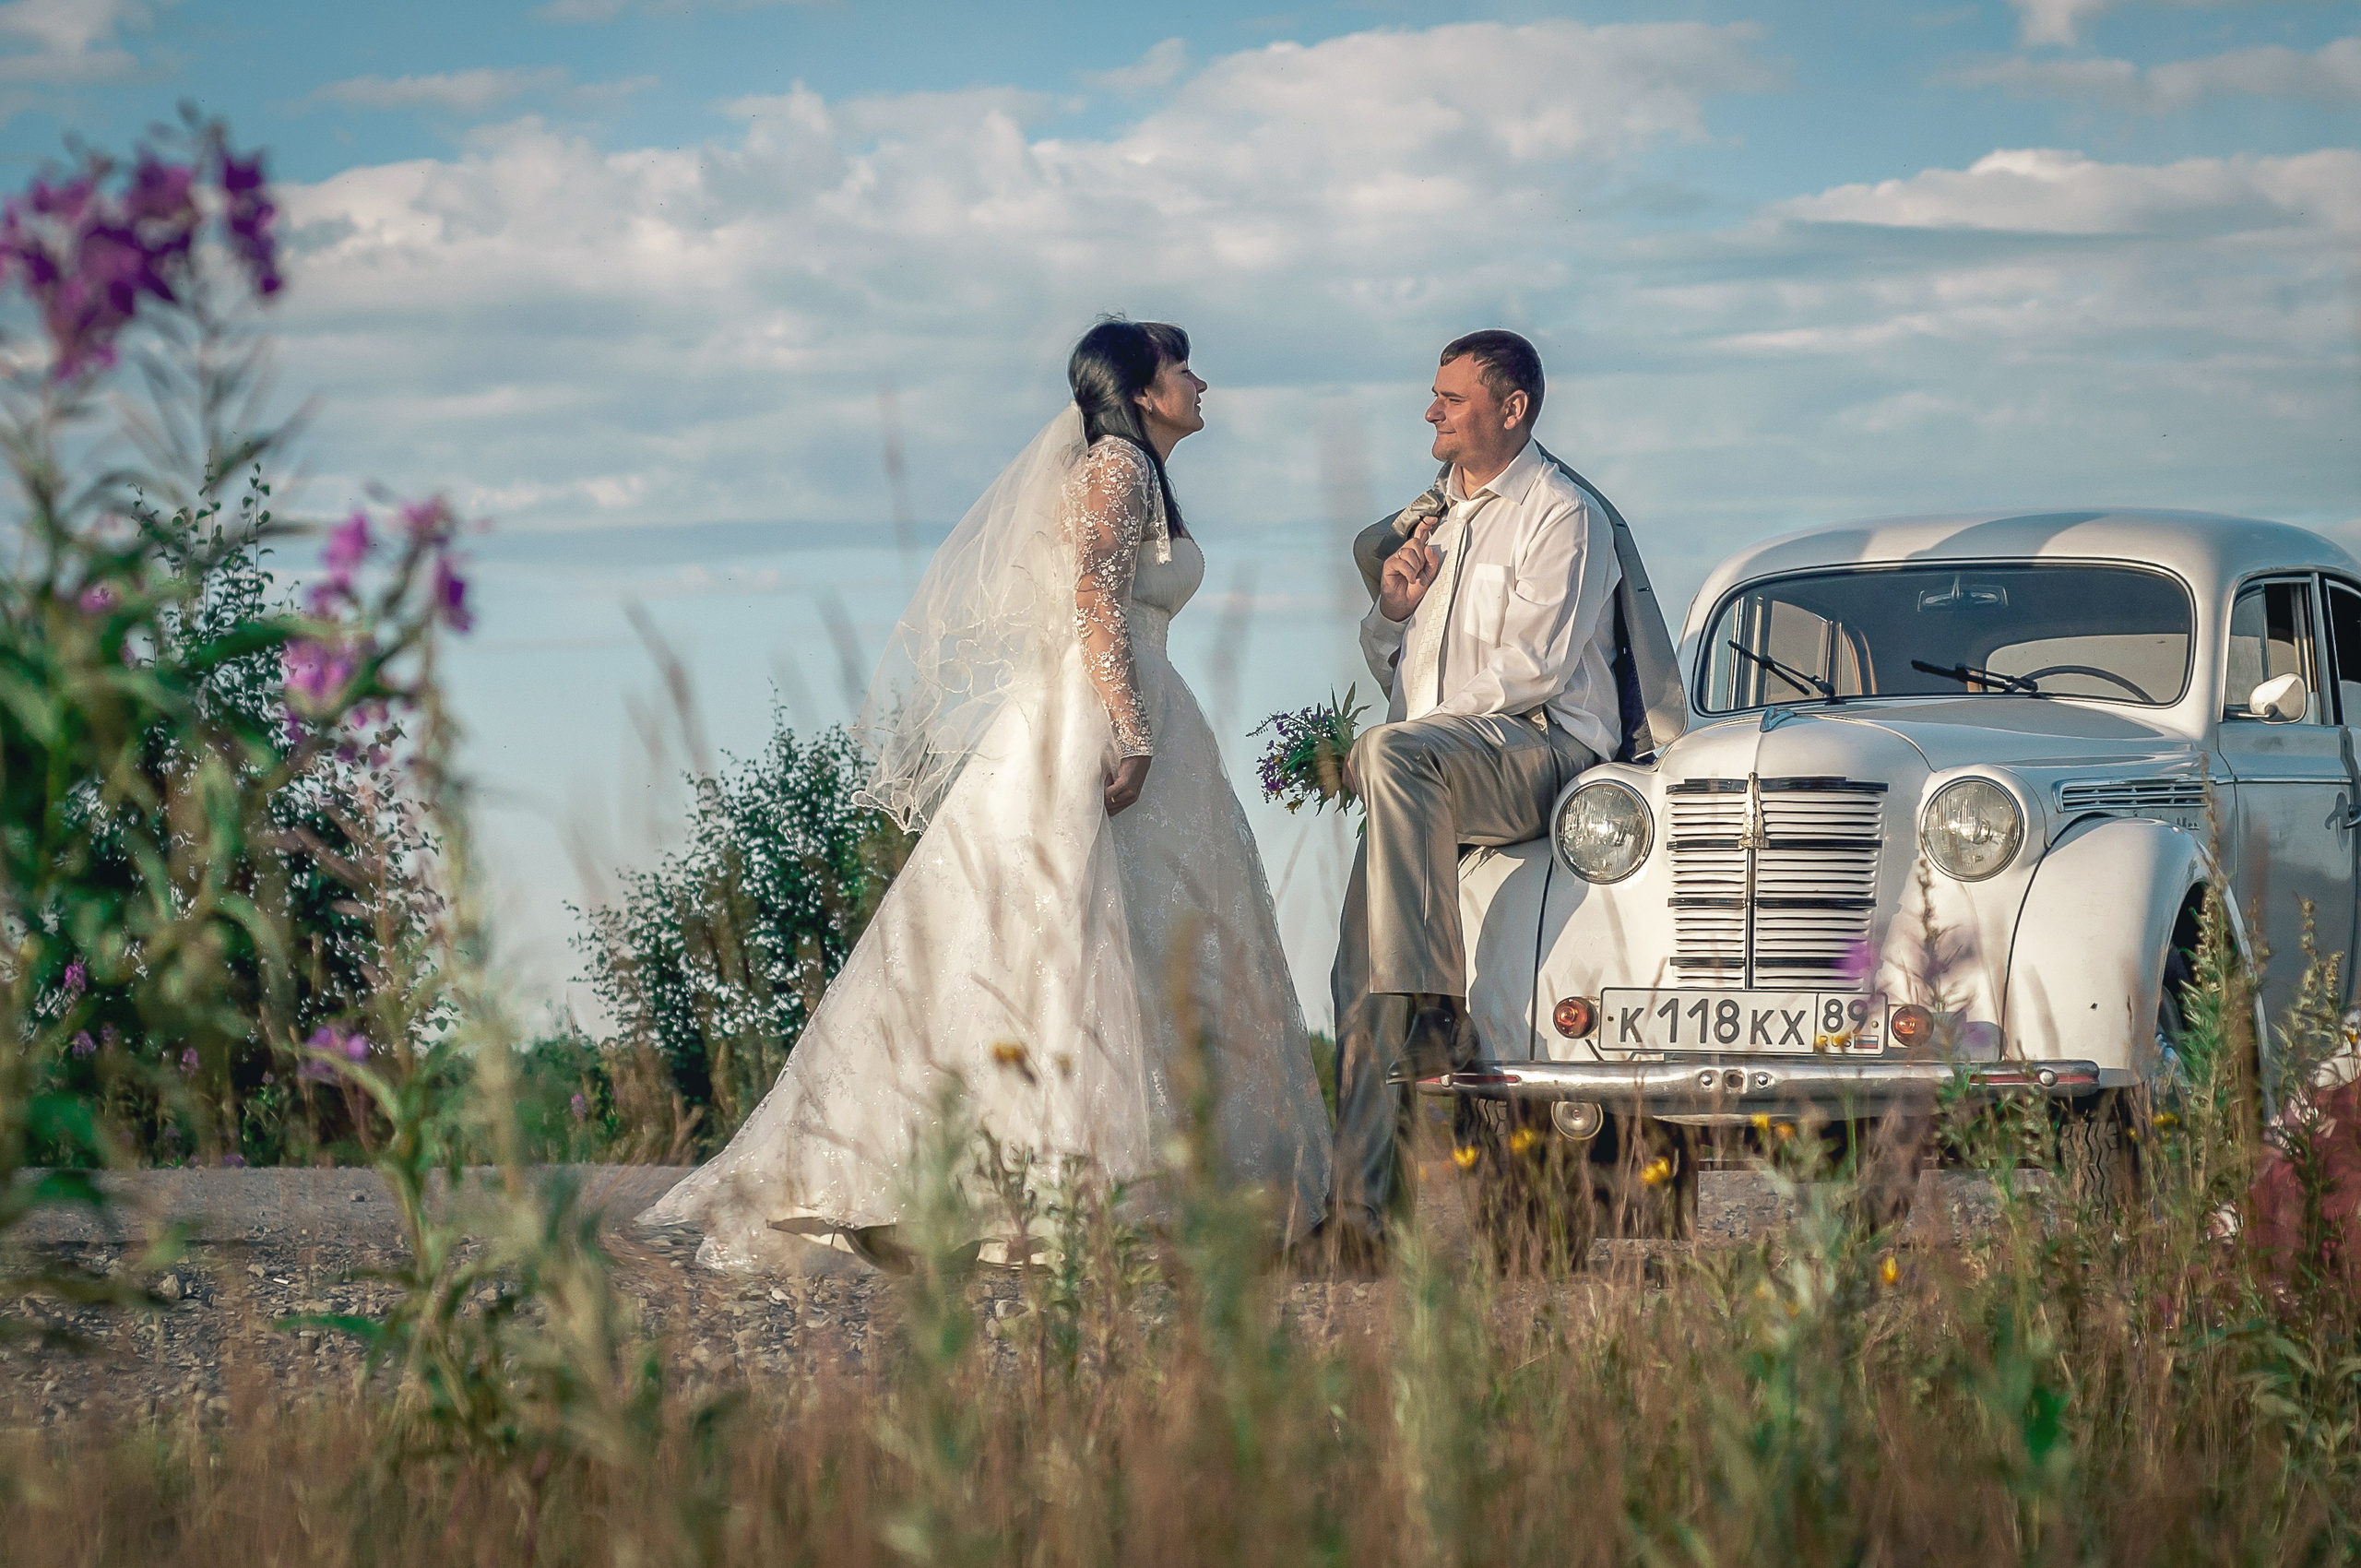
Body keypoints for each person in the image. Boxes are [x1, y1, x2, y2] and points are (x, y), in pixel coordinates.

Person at [642, 320, 1331, 1268]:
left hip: (1125, 699)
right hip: (1100, 713)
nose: (1199, 381)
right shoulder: (1118, 468)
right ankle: (1060, 1187)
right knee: (1066, 935)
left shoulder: (1133, 470)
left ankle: (1072, 1180)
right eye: (1181, 368)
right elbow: (1093, 600)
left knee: (1098, 939)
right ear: (1139, 389)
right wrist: (1130, 732)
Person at [1314, 329, 1683, 1271]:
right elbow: (1404, 673)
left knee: (1397, 759)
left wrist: (1412, 743)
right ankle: (1359, 1220)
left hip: (1541, 753)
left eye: (1450, 398)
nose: (1429, 411)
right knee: (1356, 979)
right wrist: (1390, 611)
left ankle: (1435, 1004)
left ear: (1511, 409)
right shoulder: (1431, 522)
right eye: (1432, 396)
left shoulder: (1563, 512)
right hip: (1439, 764)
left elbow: (1536, 669)